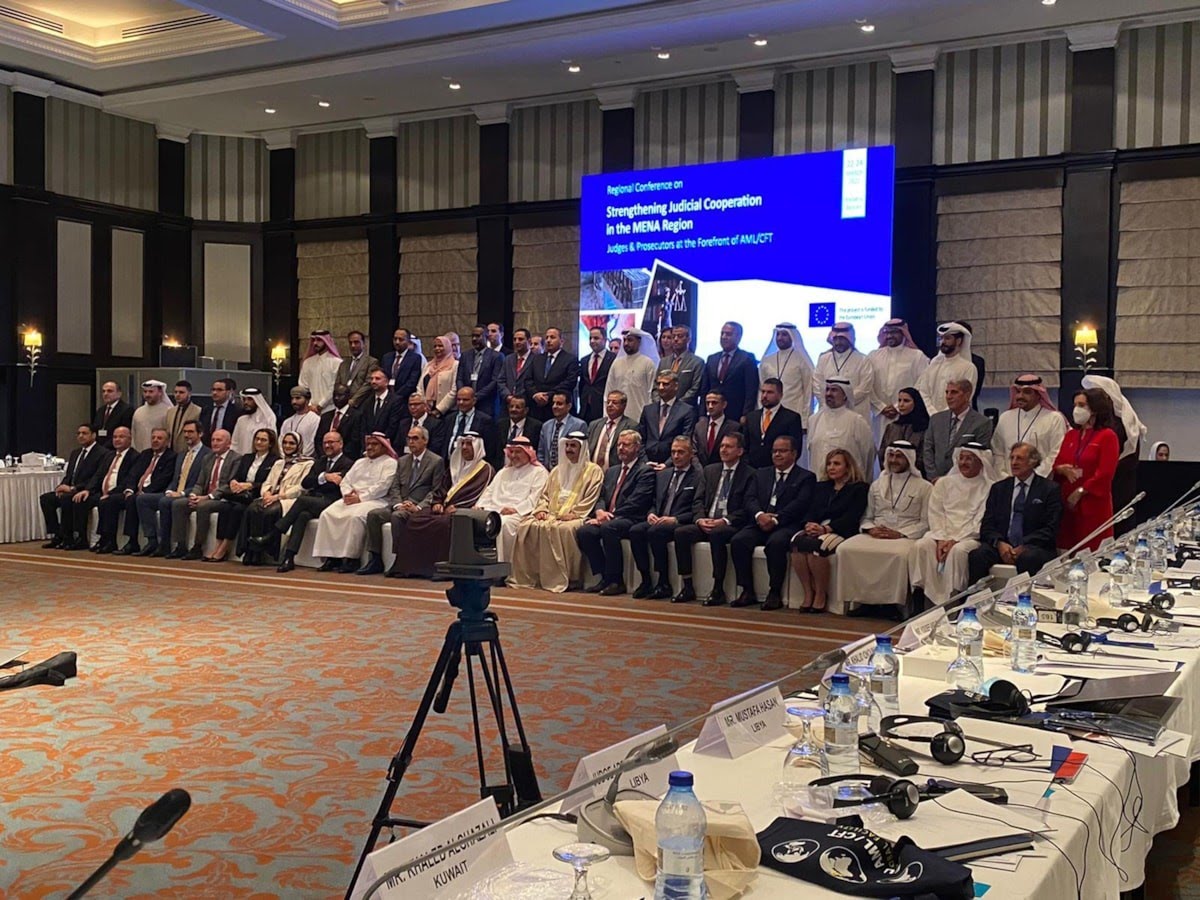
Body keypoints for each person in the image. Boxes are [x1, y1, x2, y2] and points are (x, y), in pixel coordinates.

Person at [837, 440, 932, 613]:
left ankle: (892, 606)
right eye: (891, 455)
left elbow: (926, 523)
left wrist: (900, 534)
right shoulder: (877, 484)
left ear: (910, 459)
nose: (894, 460)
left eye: (899, 456)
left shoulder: (925, 487)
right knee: (846, 549)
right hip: (876, 533)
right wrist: (870, 529)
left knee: (899, 555)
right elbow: (867, 516)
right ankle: (863, 602)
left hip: (906, 535)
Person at [509, 431, 604, 592]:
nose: (569, 449)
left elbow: (591, 497)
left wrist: (574, 514)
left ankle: (570, 578)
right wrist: (541, 510)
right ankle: (534, 576)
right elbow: (545, 495)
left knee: (564, 529)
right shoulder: (557, 470)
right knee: (526, 526)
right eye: (567, 445)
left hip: (576, 515)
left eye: (573, 446)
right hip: (552, 513)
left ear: (582, 448)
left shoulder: (594, 471)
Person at [389, 432, 494, 578]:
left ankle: (440, 570)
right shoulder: (455, 466)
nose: (464, 447)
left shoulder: (485, 469)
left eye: (469, 444)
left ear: (477, 447)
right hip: (444, 508)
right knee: (416, 519)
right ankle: (409, 568)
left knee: (442, 524)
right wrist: (437, 502)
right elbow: (441, 488)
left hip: (463, 510)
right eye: (462, 444)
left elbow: (477, 494)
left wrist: (457, 507)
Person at [730, 435, 816, 609]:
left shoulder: (805, 477)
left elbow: (800, 504)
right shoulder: (761, 473)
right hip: (760, 521)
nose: (777, 454)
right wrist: (760, 515)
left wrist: (776, 520)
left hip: (786, 524)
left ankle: (774, 592)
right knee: (739, 540)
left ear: (794, 454)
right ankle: (747, 590)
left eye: (782, 451)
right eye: (774, 451)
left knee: (776, 543)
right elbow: (749, 499)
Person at [250, 430, 354, 573]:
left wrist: (319, 480)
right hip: (314, 500)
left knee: (302, 500)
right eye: (325, 443)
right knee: (302, 515)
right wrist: (324, 477)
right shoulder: (320, 461)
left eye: (331, 442)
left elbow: (336, 485)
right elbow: (306, 483)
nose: (327, 446)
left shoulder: (348, 463)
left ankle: (273, 534)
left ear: (341, 444)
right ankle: (289, 558)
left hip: (333, 502)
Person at [673, 433, 756, 605]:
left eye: (729, 446)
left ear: (740, 451)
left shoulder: (749, 474)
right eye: (722, 446)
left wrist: (724, 521)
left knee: (717, 534)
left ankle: (718, 588)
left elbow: (747, 507)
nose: (723, 450)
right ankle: (687, 585)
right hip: (707, 520)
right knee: (681, 533)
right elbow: (697, 500)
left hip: (730, 523)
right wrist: (700, 519)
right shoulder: (710, 470)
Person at [909, 443, 996, 604]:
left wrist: (955, 540)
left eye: (969, 459)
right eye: (961, 458)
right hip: (940, 535)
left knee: (959, 551)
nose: (963, 462)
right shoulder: (944, 483)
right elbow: (935, 513)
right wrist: (942, 539)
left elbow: (981, 520)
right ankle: (920, 602)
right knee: (921, 546)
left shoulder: (990, 487)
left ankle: (956, 600)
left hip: (970, 537)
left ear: (981, 461)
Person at [356, 425, 446, 576]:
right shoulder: (402, 461)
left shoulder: (436, 461)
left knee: (397, 517)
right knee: (374, 515)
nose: (411, 442)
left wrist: (418, 507)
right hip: (400, 504)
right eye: (409, 439)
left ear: (425, 441)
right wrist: (398, 504)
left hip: (419, 507)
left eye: (415, 438)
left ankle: (400, 561)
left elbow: (436, 491)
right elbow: (395, 486)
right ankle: (375, 559)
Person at [968, 442, 1063, 585]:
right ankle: (974, 597)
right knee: (977, 555)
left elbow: (1050, 528)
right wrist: (999, 543)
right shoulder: (999, 488)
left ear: (1032, 462)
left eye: (1019, 458)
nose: (1014, 463)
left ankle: (1023, 597)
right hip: (1002, 546)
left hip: (1034, 546)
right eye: (1012, 458)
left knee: (1028, 558)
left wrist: (1024, 545)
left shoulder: (1049, 489)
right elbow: (987, 525)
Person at [789, 449, 870, 613]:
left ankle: (821, 593)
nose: (831, 467)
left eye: (836, 464)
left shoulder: (859, 488)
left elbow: (852, 516)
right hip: (817, 526)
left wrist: (826, 528)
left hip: (841, 529)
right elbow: (811, 509)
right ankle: (808, 592)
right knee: (796, 543)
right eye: (829, 464)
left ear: (848, 467)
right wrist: (809, 524)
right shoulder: (821, 487)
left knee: (817, 547)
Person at [577, 430, 656, 595]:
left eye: (626, 445)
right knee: (585, 531)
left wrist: (609, 517)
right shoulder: (612, 471)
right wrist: (600, 511)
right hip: (608, 517)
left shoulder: (645, 471)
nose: (621, 448)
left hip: (631, 518)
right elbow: (601, 496)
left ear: (637, 447)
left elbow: (637, 502)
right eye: (619, 444)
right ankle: (604, 577)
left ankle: (616, 580)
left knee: (609, 528)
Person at [308, 432, 398, 572]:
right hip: (351, 498)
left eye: (374, 444)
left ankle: (351, 559)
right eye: (368, 444)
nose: (370, 447)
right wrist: (347, 494)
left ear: (383, 446)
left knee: (354, 517)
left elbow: (383, 485)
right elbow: (345, 481)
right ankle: (332, 558)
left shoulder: (390, 463)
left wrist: (361, 498)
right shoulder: (359, 462)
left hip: (375, 500)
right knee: (327, 514)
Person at [629, 436, 701, 599]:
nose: (676, 456)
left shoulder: (698, 476)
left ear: (691, 454)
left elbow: (698, 507)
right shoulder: (663, 475)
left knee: (656, 532)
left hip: (680, 521)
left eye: (681, 452)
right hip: (660, 519)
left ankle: (664, 582)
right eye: (673, 452)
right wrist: (651, 513)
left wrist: (676, 519)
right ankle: (646, 580)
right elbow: (654, 501)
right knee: (636, 531)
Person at [1052, 388, 1120, 552]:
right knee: (1066, 548)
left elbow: (1105, 473)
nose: (1076, 409)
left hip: (1092, 503)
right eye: (1075, 405)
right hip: (1067, 503)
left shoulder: (1107, 436)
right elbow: (1057, 463)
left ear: (1095, 409)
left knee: (1091, 549)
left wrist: (1081, 491)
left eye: (1081, 405)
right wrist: (1061, 469)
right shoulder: (1071, 435)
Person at [237, 432, 314, 566]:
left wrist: (278, 497)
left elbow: (302, 487)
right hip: (271, 496)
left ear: (298, 445)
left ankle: (263, 551)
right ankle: (251, 551)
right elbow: (268, 482)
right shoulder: (279, 462)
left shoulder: (307, 463)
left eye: (292, 443)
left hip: (288, 498)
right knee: (252, 509)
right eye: (285, 443)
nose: (287, 446)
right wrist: (266, 493)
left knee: (270, 511)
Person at [1081, 374, 1146, 529]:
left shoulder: (1122, 424)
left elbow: (1128, 459)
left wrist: (1101, 472)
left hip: (1117, 486)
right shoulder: (1092, 424)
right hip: (1092, 486)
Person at [206, 429, 280, 563]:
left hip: (256, 495)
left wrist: (250, 485)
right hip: (239, 494)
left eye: (263, 440)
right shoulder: (247, 458)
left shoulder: (275, 461)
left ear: (270, 443)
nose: (259, 442)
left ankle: (225, 547)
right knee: (224, 507)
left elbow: (269, 483)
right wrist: (234, 482)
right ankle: (218, 544)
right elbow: (237, 476)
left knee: (237, 509)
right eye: (257, 439)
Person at [167, 428, 241, 560]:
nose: (215, 443)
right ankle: (180, 545)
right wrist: (194, 495)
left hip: (223, 499)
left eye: (219, 440)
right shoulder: (208, 458)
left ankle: (198, 546)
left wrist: (208, 497)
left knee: (203, 506)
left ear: (229, 443)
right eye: (213, 440)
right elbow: (200, 483)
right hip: (204, 496)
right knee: (178, 504)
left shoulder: (236, 459)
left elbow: (229, 485)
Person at [140, 421, 209, 556]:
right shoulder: (181, 454)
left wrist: (182, 493)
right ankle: (152, 540)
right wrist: (169, 491)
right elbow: (175, 478)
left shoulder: (207, 455)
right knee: (143, 499)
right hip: (175, 492)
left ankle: (170, 544)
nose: (187, 435)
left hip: (191, 494)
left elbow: (202, 483)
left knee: (166, 502)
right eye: (185, 432)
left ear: (200, 434)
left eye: (190, 432)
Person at [477, 437, 548, 564]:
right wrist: (480, 506)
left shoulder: (539, 472)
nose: (513, 456)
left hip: (520, 514)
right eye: (511, 452)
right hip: (494, 511)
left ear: (528, 452)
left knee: (503, 524)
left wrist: (515, 509)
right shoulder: (503, 472)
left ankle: (504, 566)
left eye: (518, 452)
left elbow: (535, 499)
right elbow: (489, 492)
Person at [40, 423, 110, 550]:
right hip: (70, 489)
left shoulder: (102, 453)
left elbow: (97, 477)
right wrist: (62, 486)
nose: (81, 436)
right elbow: (69, 475)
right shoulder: (75, 453)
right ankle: (58, 534)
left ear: (94, 435)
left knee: (68, 498)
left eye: (84, 433)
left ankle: (74, 537)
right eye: (78, 434)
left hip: (89, 491)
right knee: (46, 499)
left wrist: (74, 488)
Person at [990, 374, 1068, 478]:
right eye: (1018, 392)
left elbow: (1055, 453)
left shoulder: (1054, 418)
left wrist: (1033, 479)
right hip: (1008, 482)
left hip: (1041, 482)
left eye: (1027, 392)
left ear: (1039, 394)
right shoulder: (1005, 417)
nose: (1020, 396)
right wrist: (1005, 477)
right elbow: (997, 452)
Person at [117, 428, 177, 555]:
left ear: (167, 442)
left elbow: (164, 480)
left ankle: (151, 540)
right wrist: (129, 489)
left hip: (156, 492)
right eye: (153, 437)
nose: (155, 440)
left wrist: (145, 491)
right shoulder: (145, 454)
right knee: (127, 498)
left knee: (140, 499)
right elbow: (133, 474)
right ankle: (131, 540)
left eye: (159, 438)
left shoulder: (171, 457)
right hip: (138, 492)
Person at [868, 319, 929, 439]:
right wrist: (881, 407)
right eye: (887, 332)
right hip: (879, 415)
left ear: (903, 333)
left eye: (894, 332)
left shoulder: (917, 356)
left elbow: (921, 383)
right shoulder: (873, 356)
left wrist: (898, 406)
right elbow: (867, 384)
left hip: (906, 414)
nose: (890, 336)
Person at [923, 379, 994, 480]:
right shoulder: (936, 419)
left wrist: (952, 480)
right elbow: (928, 450)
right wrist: (933, 477)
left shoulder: (982, 423)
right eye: (947, 392)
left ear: (967, 395)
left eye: (954, 392)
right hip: (935, 480)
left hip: (964, 480)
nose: (948, 396)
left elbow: (980, 456)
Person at [807, 378, 875, 481]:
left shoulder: (857, 421)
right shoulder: (814, 420)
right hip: (819, 484)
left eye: (834, 390)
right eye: (827, 389)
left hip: (848, 485)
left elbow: (868, 455)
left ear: (845, 395)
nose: (829, 394)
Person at [89, 426, 139, 553]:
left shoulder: (134, 456)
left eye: (121, 437)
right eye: (115, 437)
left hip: (120, 493)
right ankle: (77, 538)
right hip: (103, 492)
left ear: (130, 439)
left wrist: (110, 493)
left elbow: (129, 480)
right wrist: (88, 490)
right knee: (79, 499)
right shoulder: (109, 455)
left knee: (108, 502)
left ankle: (109, 540)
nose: (117, 440)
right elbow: (98, 475)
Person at [759, 323, 815, 430]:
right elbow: (761, 388)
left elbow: (808, 392)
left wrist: (805, 421)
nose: (780, 338)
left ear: (792, 336)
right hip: (770, 414)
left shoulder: (802, 360)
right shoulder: (767, 360)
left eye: (784, 334)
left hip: (794, 413)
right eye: (778, 334)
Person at [812, 323, 873, 421]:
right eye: (835, 339)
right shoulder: (823, 359)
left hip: (855, 412)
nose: (838, 342)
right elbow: (817, 384)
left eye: (842, 339)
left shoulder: (863, 360)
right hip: (827, 410)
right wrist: (828, 401)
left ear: (850, 339)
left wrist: (842, 401)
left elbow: (864, 388)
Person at [699, 321, 759, 420]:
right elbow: (704, 389)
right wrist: (702, 414)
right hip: (712, 412)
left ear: (738, 337)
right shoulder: (712, 359)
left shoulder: (747, 358)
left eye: (728, 334)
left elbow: (751, 390)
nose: (724, 337)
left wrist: (746, 414)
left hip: (736, 413)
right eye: (722, 333)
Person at [742, 377, 805, 468]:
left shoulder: (791, 418)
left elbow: (796, 448)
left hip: (777, 469)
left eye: (770, 392)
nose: (764, 396)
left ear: (780, 395)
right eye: (763, 392)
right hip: (752, 469)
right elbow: (745, 445)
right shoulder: (751, 417)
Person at [914, 322, 977, 414]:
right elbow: (923, 391)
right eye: (941, 338)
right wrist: (932, 413)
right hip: (930, 416)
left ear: (958, 341)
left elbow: (964, 397)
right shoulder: (934, 364)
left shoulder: (968, 367)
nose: (942, 342)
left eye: (947, 338)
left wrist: (943, 416)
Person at [639, 373, 697, 464]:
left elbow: (686, 441)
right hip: (647, 462)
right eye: (659, 384)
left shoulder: (686, 411)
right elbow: (640, 439)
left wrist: (667, 464)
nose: (661, 387)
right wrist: (645, 461)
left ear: (676, 386)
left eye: (665, 384)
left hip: (673, 464)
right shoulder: (648, 410)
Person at [605, 327, 660, 423]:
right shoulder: (616, 363)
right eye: (625, 340)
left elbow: (651, 392)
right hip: (617, 417)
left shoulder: (648, 363)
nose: (626, 343)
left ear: (639, 342)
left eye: (630, 340)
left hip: (640, 415)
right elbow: (608, 390)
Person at [528, 327, 579, 415]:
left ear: (561, 341)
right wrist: (535, 394)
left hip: (559, 407)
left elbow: (570, 381)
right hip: (537, 408)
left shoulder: (570, 359)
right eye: (547, 337)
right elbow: (528, 379)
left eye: (552, 337)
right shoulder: (537, 359)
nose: (548, 340)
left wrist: (549, 394)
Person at [456, 325, 505, 418]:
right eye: (473, 336)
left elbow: (495, 381)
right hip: (465, 403)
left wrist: (475, 397)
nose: (474, 339)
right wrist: (464, 395)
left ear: (486, 337)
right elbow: (459, 378)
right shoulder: (465, 355)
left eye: (478, 336)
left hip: (486, 404)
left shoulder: (496, 356)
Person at [878, 388, 930, 475]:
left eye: (906, 401)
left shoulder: (925, 428)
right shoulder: (892, 427)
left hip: (916, 476)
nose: (901, 405)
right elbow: (883, 452)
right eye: (899, 400)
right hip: (891, 474)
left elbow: (925, 456)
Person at [654, 326, 704, 409]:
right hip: (662, 408)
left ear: (688, 339)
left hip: (686, 409)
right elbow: (655, 386)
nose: (676, 339)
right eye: (673, 336)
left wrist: (675, 406)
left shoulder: (697, 362)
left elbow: (695, 389)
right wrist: (659, 403)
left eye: (680, 336)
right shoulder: (663, 361)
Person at [586, 390, 636, 472]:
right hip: (592, 472)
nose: (610, 405)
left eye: (614, 402)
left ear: (624, 406)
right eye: (608, 402)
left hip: (616, 473)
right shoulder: (594, 424)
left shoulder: (631, 426)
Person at [537, 390, 586, 470]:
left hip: (569, 471)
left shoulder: (579, 425)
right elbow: (541, 452)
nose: (554, 406)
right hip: (547, 472)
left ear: (569, 406)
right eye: (553, 403)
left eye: (559, 404)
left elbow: (581, 453)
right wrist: (543, 470)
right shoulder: (546, 426)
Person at [446, 385, 496, 461]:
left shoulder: (485, 420)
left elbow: (489, 448)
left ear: (474, 401)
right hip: (448, 463)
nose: (461, 402)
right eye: (458, 399)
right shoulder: (449, 418)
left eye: (465, 400)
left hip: (473, 463)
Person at [298, 330, 342, 414]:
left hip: (329, 409)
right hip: (310, 409)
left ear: (327, 341)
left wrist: (320, 405)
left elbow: (334, 387)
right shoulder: (307, 362)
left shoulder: (336, 362)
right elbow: (303, 386)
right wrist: (309, 405)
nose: (315, 343)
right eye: (313, 340)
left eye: (319, 340)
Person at [693, 390, 740, 467]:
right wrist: (699, 469)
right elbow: (694, 451)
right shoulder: (699, 426)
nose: (710, 406)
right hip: (700, 470)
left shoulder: (734, 427)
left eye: (714, 403)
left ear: (724, 404)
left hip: (722, 469)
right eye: (708, 403)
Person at [316, 384, 364, 460]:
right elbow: (318, 440)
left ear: (348, 396)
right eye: (334, 395)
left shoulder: (356, 416)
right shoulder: (326, 416)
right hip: (325, 459)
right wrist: (324, 456)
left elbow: (355, 441)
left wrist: (338, 457)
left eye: (340, 395)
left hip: (347, 459)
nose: (336, 398)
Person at [579, 326, 616, 422]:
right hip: (585, 408)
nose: (592, 341)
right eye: (590, 338)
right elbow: (582, 384)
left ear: (605, 340)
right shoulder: (584, 360)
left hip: (603, 406)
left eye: (596, 338)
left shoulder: (614, 359)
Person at [395, 391, 446, 459]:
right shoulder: (403, 423)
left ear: (425, 406)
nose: (412, 407)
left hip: (426, 461)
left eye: (416, 404)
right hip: (405, 460)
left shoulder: (436, 424)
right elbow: (397, 446)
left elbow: (435, 448)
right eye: (410, 404)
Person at [334, 330, 377, 408]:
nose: (353, 345)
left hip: (361, 404)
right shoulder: (344, 363)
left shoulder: (371, 362)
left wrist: (353, 400)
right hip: (343, 404)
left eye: (356, 342)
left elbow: (368, 384)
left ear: (363, 344)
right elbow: (337, 383)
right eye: (350, 343)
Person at [420, 334, 459, 415]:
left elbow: (454, 390)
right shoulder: (428, 365)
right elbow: (419, 387)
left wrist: (439, 409)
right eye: (435, 346)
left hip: (447, 412)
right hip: (427, 410)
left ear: (448, 347)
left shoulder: (455, 365)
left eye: (441, 346)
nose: (437, 348)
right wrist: (423, 406)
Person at [230, 388, 277, 456]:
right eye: (244, 399)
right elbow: (234, 444)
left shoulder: (268, 419)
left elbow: (272, 442)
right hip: (241, 459)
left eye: (250, 399)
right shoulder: (241, 420)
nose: (246, 402)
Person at [380, 327, 423, 401]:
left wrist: (396, 397)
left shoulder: (415, 358)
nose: (397, 342)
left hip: (404, 399)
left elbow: (412, 382)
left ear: (408, 341)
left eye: (401, 339)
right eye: (395, 339)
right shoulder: (386, 357)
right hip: (386, 398)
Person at [496, 395, 541, 463]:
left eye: (518, 407)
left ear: (526, 410)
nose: (513, 409)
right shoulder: (500, 425)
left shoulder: (536, 427)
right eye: (511, 406)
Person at [280, 386, 322, 457]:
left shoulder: (315, 420)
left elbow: (312, 444)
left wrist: (301, 458)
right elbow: (280, 442)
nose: (294, 402)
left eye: (298, 398)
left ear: (307, 400)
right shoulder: (287, 422)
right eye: (292, 398)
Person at [131, 380, 173, 451]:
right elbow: (133, 435)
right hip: (140, 453)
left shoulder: (169, 411)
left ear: (160, 392)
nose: (147, 395)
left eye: (151, 392)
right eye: (145, 392)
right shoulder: (138, 412)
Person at [499, 327, 535, 408]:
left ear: (529, 341)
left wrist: (519, 399)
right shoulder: (508, 359)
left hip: (527, 404)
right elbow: (501, 380)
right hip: (508, 403)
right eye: (514, 339)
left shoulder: (536, 359)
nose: (517, 342)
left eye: (520, 339)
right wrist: (507, 395)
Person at [92, 381, 134, 448]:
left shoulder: (126, 410)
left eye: (109, 391)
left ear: (119, 394)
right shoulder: (100, 410)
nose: (105, 394)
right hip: (100, 448)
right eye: (103, 391)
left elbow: (124, 433)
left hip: (116, 448)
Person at [164, 381, 201, 452]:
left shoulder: (198, 411)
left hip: (189, 451)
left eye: (181, 392)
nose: (177, 395)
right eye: (176, 392)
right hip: (171, 452)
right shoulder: (170, 411)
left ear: (189, 394)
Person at [203, 378, 241, 445]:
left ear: (228, 392)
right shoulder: (206, 409)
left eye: (219, 390)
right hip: (208, 446)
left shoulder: (236, 411)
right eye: (213, 390)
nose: (215, 393)